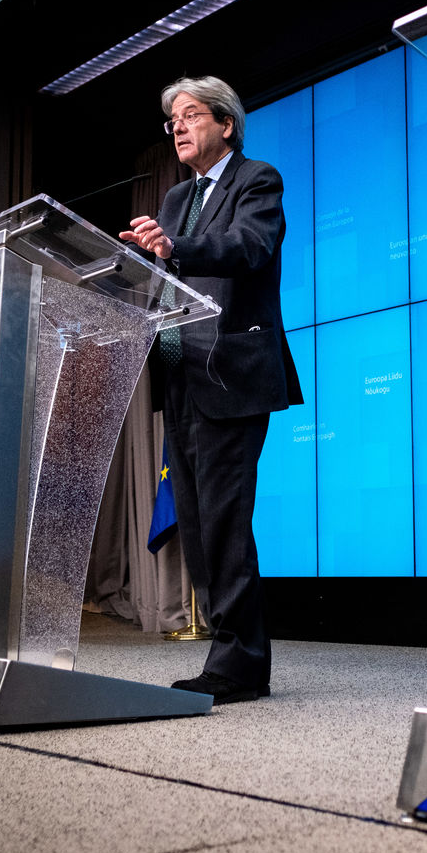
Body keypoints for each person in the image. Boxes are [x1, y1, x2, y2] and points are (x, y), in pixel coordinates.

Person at [121, 75, 302, 704]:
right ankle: (228, 652)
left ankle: (240, 666)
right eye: (171, 118)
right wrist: (134, 266)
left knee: (225, 522)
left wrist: (175, 248)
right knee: (198, 527)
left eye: (191, 114)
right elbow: (165, 272)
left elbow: (249, 248)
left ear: (226, 123)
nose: (177, 125)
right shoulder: (175, 198)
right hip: (180, 374)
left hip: (232, 373)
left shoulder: (257, 180)